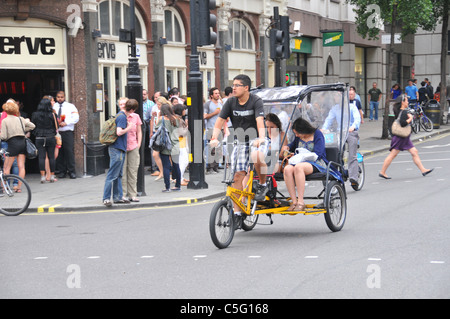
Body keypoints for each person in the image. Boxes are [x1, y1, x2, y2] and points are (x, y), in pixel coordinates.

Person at [210, 74, 269, 212]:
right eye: (233, 85)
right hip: (240, 140)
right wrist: (214, 137)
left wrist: (261, 138)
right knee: (237, 176)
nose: (233, 88)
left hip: (256, 138)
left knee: (257, 156)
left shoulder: (256, 101)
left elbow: (260, 121)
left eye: (237, 85)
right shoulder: (230, 102)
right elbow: (220, 121)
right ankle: (237, 213)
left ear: (246, 87)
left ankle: (262, 183)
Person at [379, 94, 434, 179]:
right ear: (402, 102)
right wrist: (410, 118)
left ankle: (423, 170)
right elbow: (403, 123)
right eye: (406, 100)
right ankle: (382, 172)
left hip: (404, 137)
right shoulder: (403, 111)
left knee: (414, 152)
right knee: (392, 155)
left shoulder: (400, 111)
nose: (408, 102)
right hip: (400, 137)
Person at [281, 117, 327, 212]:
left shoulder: (317, 134)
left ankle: (301, 201)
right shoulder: (298, 138)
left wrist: (303, 155)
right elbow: (293, 145)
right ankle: (294, 201)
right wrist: (288, 147)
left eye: (298, 133)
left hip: (316, 162)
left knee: (298, 167)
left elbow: (319, 153)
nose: (297, 135)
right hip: (301, 161)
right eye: (295, 134)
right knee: (287, 169)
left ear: (304, 130)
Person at [322, 90, 361, 188]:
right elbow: (329, 119)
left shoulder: (352, 107)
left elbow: (357, 119)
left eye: (338, 96)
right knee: (337, 152)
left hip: (351, 132)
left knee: (352, 155)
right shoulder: (335, 109)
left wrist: (353, 126)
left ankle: (354, 178)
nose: (336, 98)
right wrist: (323, 128)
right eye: (335, 96)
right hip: (340, 132)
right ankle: (341, 172)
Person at [102, 100, 136, 207]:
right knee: (112, 175)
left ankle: (118, 197)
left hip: (119, 148)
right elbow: (119, 132)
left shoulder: (120, 115)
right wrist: (129, 128)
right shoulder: (122, 117)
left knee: (119, 175)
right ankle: (106, 198)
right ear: (132, 109)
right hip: (117, 148)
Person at [0, 100, 35, 192]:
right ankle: (18, 187)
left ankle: (6, 187)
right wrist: (23, 129)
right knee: (21, 166)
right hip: (22, 142)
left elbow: (3, 136)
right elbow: (32, 126)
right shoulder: (20, 119)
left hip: (12, 143)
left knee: (7, 167)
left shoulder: (5, 120)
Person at [155, 103, 184, 192]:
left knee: (166, 166)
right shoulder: (177, 119)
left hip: (165, 144)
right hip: (175, 144)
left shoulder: (161, 119)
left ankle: (167, 187)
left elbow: (157, 130)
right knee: (176, 165)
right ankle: (177, 185)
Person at [119, 98, 142, 202]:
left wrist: (138, 144)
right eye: (121, 104)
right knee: (122, 172)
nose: (123, 106)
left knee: (133, 171)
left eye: (124, 104)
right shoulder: (120, 117)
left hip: (133, 146)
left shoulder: (136, 116)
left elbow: (139, 131)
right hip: (122, 147)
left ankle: (132, 194)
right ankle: (122, 195)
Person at [31, 98, 58, 183]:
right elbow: (56, 127)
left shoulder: (35, 114)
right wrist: (52, 132)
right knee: (51, 157)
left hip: (39, 137)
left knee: (41, 157)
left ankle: (42, 176)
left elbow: (32, 126)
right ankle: (52, 176)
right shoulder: (52, 114)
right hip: (50, 136)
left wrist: (36, 133)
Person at [53, 91, 79, 179]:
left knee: (69, 151)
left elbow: (76, 118)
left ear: (64, 97)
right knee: (59, 153)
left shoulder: (70, 106)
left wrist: (66, 123)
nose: (60, 98)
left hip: (67, 132)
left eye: (61, 97)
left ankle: (72, 171)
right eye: (58, 97)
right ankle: (61, 171)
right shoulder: (53, 106)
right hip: (57, 132)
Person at [204, 87, 223, 174]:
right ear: (211, 95)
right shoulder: (208, 104)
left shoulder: (220, 104)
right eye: (216, 93)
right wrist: (214, 113)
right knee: (212, 148)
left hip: (220, 128)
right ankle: (210, 167)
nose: (218, 95)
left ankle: (216, 166)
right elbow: (205, 116)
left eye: (218, 93)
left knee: (219, 148)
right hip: (211, 128)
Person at [150, 95, 168, 181]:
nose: (158, 106)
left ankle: (170, 173)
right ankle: (161, 172)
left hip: (165, 135)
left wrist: (158, 115)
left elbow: (158, 123)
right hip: (157, 134)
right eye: (157, 104)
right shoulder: (155, 109)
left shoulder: (165, 111)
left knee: (168, 156)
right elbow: (153, 121)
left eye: (159, 104)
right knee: (155, 154)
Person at [173, 103, 189, 186]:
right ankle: (178, 179)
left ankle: (181, 177)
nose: (185, 111)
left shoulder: (177, 118)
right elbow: (181, 132)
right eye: (183, 109)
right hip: (181, 141)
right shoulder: (178, 119)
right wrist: (187, 127)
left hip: (180, 141)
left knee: (181, 160)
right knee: (184, 160)